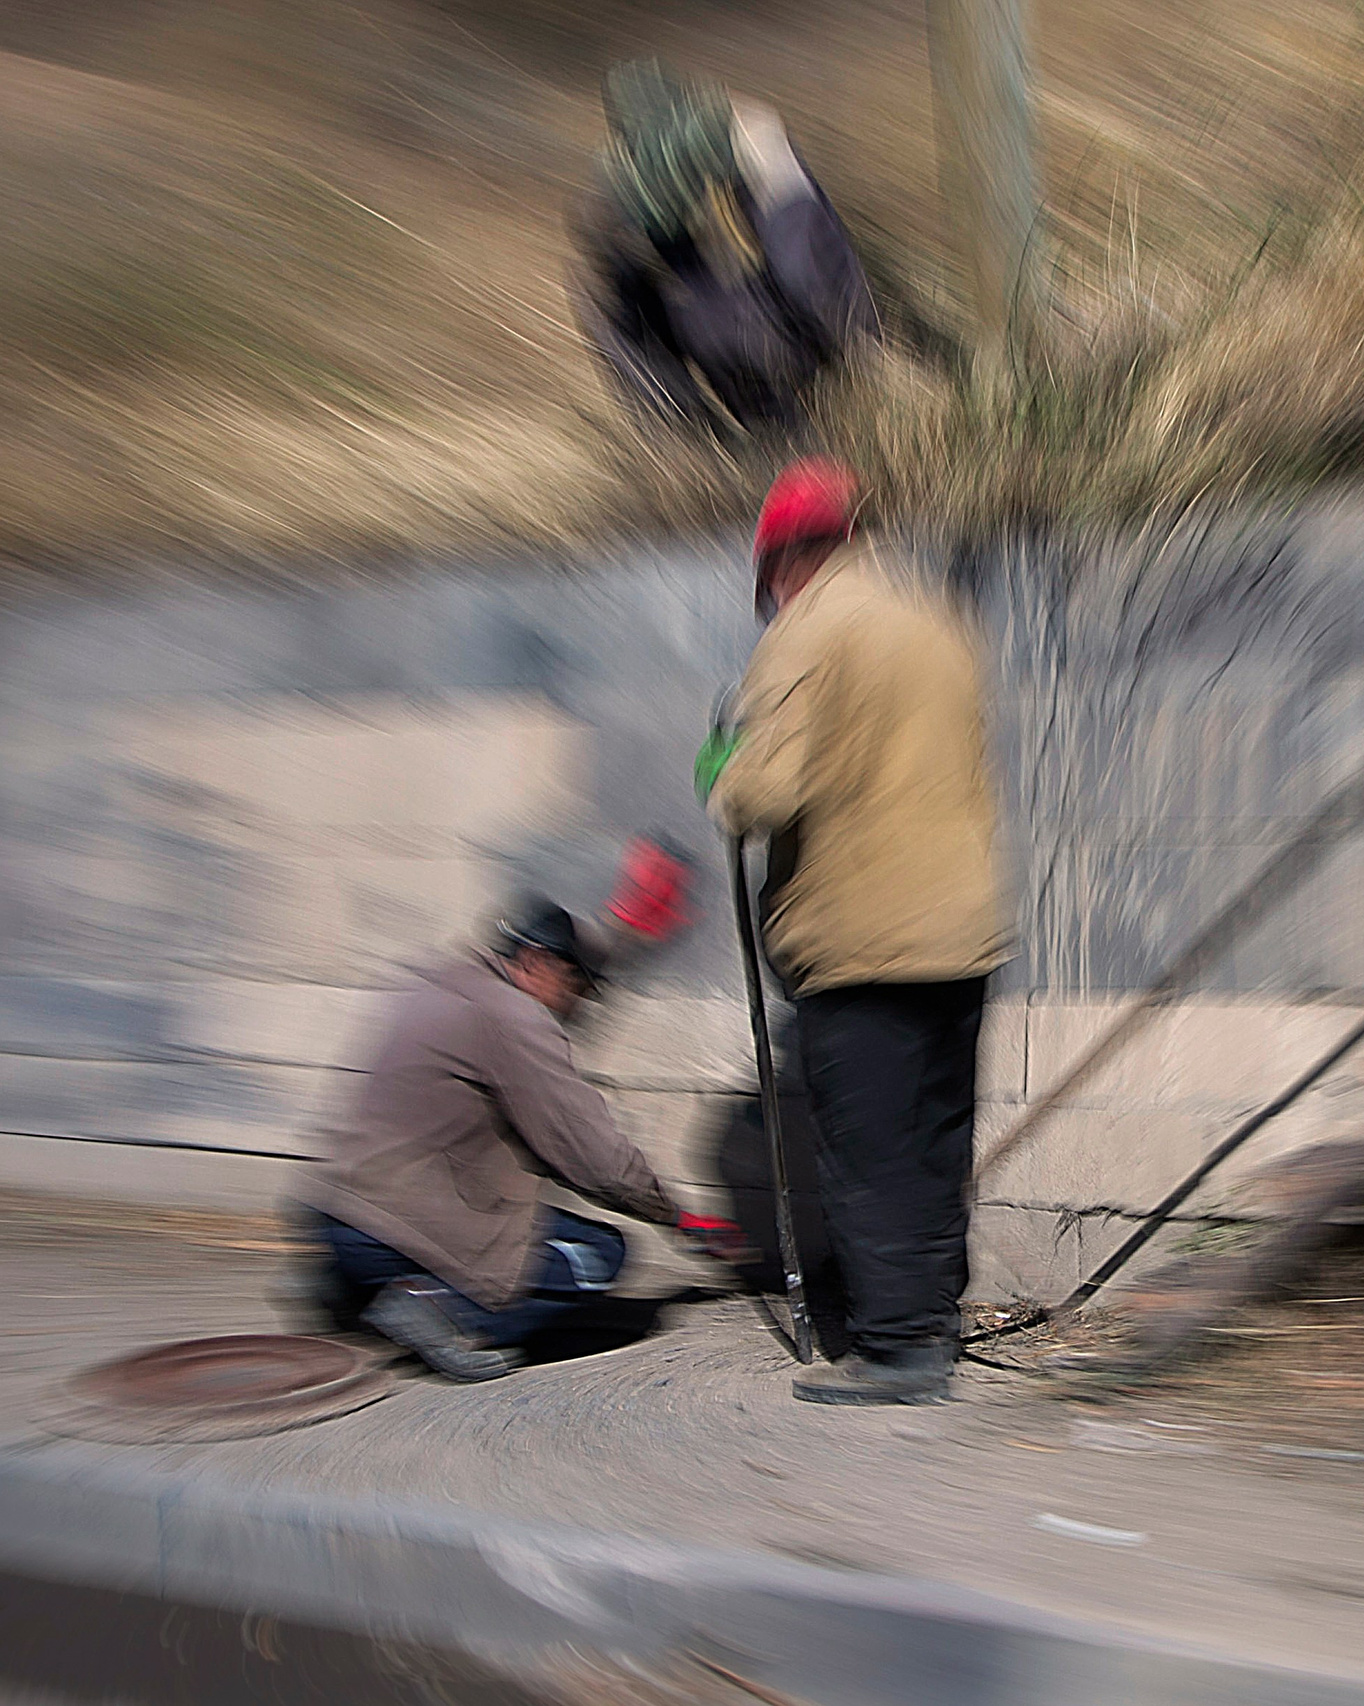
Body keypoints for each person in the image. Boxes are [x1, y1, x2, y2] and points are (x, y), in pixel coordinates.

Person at [699, 458, 1012, 1405]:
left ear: (783, 560)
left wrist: (722, 763)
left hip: (860, 933)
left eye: (767, 583)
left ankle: (896, 1348)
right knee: (935, 1141)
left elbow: (761, 793)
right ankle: (934, 1319)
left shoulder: (807, 631)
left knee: (870, 1153)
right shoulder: (939, 618)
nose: (770, 601)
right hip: (960, 927)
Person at [298, 891, 743, 1381]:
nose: (577, 1005)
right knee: (600, 1253)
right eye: (576, 986)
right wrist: (677, 1218)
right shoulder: (514, 1017)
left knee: (528, 1222)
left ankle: (357, 1289)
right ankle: (450, 1312)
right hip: (400, 1227)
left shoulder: (439, 983)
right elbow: (593, 1157)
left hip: (338, 1217)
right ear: (536, 962)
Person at [573, 58, 882, 436]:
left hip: (761, 379)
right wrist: (865, 359)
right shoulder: (752, 145)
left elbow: (636, 358)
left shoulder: (613, 214)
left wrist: (703, 440)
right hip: (792, 368)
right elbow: (809, 274)